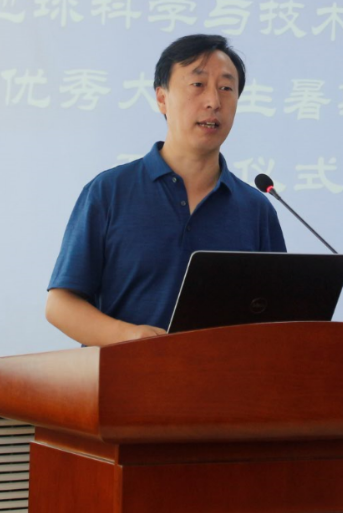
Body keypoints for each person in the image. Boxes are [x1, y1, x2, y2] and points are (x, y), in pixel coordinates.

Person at [44, 34, 286, 346]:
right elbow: (60, 305)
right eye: (198, 84)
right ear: (162, 98)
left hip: (224, 375)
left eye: (226, 88)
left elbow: (279, 317)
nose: (214, 101)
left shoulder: (255, 209)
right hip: (126, 373)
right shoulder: (109, 192)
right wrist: (129, 337)